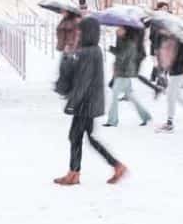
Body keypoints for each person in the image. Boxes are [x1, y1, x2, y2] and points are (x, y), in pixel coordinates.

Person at [55, 18, 126, 185]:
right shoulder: (91, 50)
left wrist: (72, 103)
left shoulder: (89, 52)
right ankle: (77, 172)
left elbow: (82, 81)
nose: (77, 33)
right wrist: (68, 56)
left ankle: (77, 173)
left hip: (85, 103)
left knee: (78, 136)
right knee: (80, 137)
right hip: (88, 102)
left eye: (80, 31)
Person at [105, 24, 152, 127]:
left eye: (120, 28)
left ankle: (112, 121)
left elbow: (122, 55)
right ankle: (145, 116)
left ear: (126, 30)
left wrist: (111, 49)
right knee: (131, 97)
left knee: (114, 96)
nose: (117, 30)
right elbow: (119, 54)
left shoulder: (130, 42)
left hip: (125, 72)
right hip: (120, 71)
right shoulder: (121, 39)